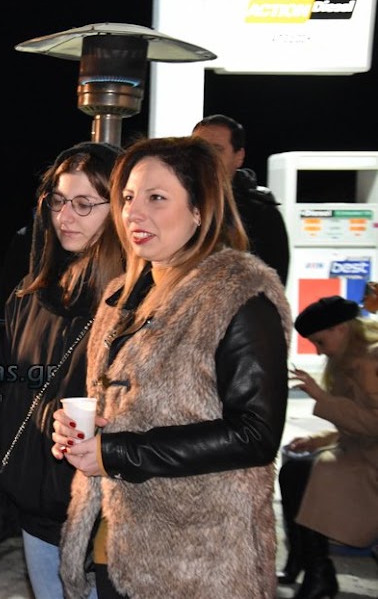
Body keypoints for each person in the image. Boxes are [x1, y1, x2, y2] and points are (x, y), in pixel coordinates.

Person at [51, 136, 292, 598]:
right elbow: (119, 406)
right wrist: (80, 428)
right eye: (127, 198)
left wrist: (117, 452)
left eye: (156, 198)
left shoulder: (239, 297)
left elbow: (255, 434)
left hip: (198, 562)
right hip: (115, 541)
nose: (133, 214)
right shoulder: (122, 295)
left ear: (200, 210)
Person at [0, 142, 122, 598]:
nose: (66, 216)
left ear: (119, 211)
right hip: (35, 502)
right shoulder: (30, 293)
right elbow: (7, 379)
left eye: (84, 204)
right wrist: (3, 433)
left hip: (99, 512)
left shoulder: (131, 305)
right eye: (58, 201)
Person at [277, 296, 378, 599]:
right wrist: (319, 439)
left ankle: (319, 572)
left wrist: (322, 397)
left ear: (341, 329)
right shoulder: (348, 361)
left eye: (320, 342)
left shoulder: (372, 361)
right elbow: (355, 425)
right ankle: (306, 561)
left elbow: (373, 424)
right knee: (294, 470)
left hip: (371, 464)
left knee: (316, 473)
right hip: (362, 454)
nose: (319, 351)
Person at [193, 113, 290, 284]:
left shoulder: (261, 215)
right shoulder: (171, 204)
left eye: (217, 149)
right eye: (199, 149)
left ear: (239, 157)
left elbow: (272, 285)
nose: (207, 157)